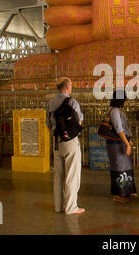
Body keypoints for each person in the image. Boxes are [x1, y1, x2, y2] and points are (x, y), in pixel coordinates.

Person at [46, 77, 85, 215]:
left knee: (58, 176)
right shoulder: (72, 102)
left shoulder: (50, 103)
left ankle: (58, 206)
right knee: (72, 175)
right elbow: (79, 122)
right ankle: (70, 207)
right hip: (70, 142)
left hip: (57, 143)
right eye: (71, 85)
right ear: (68, 86)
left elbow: (49, 125)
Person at [106, 90, 137, 203]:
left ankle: (127, 190)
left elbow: (123, 128)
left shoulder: (117, 110)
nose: (126, 100)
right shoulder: (114, 111)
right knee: (118, 168)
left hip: (121, 142)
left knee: (126, 166)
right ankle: (118, 195)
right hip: (116, 144)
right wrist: (127, 144)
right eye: (125, 98)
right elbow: (119, 129)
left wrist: (129, 140)